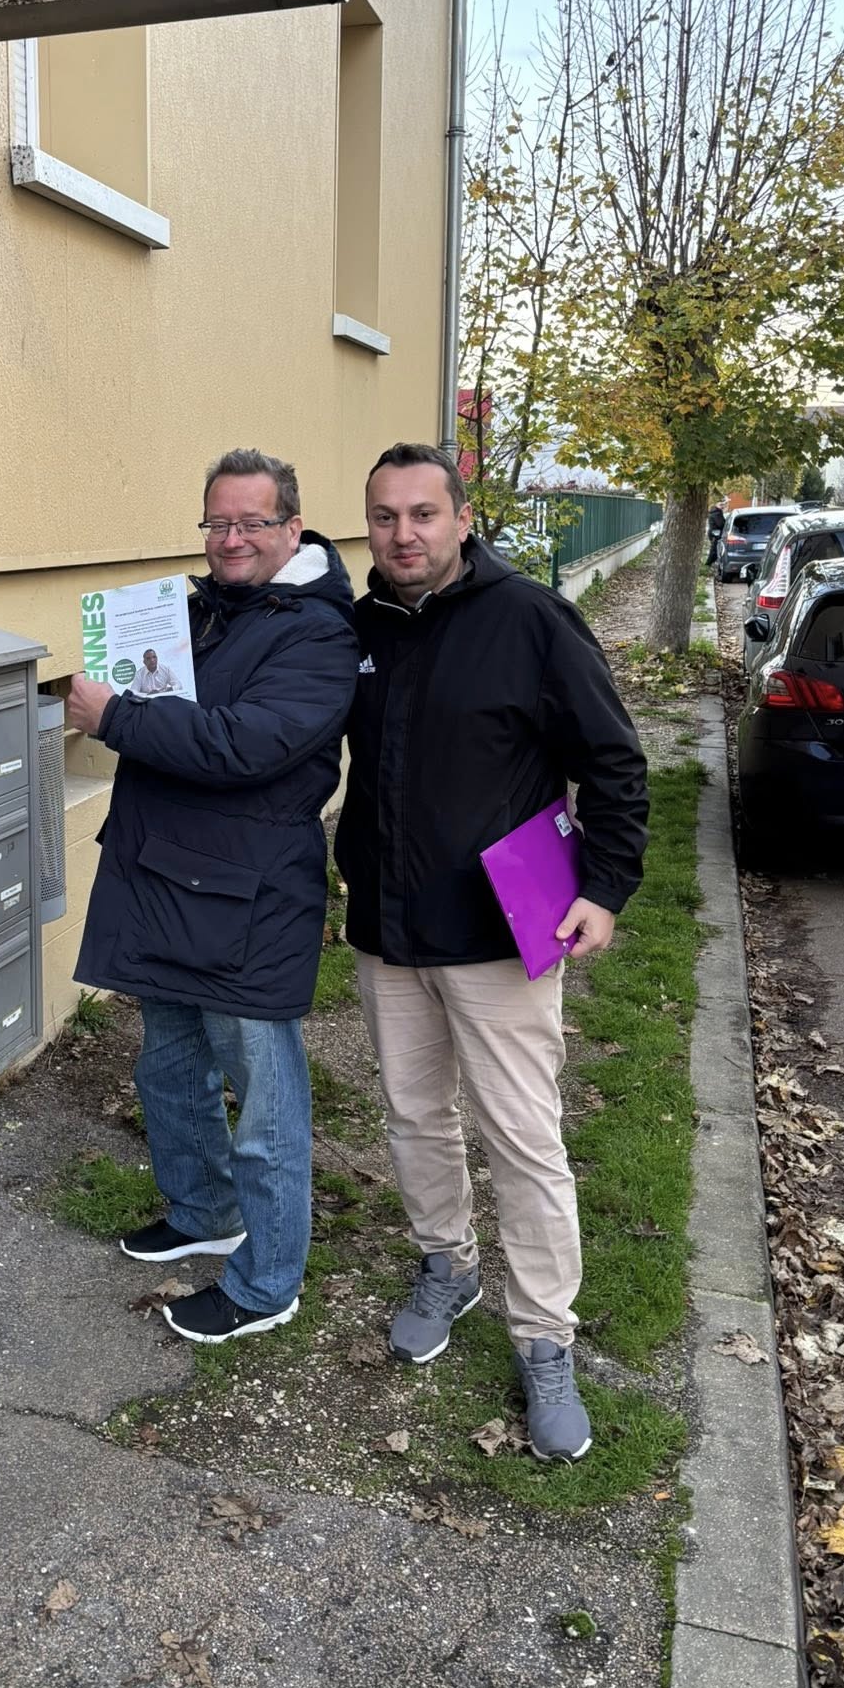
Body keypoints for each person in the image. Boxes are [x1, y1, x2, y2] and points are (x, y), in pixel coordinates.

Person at [334, 443, 648, 1460]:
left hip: (501, 935)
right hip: (389, 927)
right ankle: (449, 1263)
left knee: (522, 1138)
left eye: (424, 513)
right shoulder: (359, 625)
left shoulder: (529, 619)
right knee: (414, 1114)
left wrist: (605, 886)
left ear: (463, 519)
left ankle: (545, 1337)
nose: (404, 534)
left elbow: (613, 758)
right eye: (385, 516)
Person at [67, 449, 358, 1344]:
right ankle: (204, 1211)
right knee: (168, 1066)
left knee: (264, 1101)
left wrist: (115, 717)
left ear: (292, 529)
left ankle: (268, 1284)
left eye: (252, 523)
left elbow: (246, 744)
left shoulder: (320, 633)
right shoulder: (204, 610)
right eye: (217, 522)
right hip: (167, 878)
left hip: (248, 900)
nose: (231, 539)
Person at [706, 501, 726, 567]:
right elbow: (720, 524)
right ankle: (708, 564)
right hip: (715, 533)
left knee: (715, 549)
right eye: (720, 505)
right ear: (716, 505)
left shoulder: (716, 512)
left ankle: (710, 563)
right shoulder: (716, 513)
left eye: (723, 505)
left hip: (714, 533)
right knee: (714, 549)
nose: (722, 506)